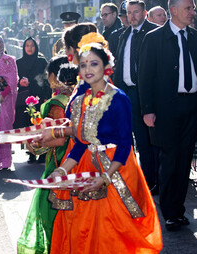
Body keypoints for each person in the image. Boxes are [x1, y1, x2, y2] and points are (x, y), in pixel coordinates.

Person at [47, 43, 162, 253]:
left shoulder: (119, 99)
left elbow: (125, 144)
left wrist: (106, 177)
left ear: (106, 66)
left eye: (94, 63)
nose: (88, 69)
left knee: (112, 232)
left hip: (117, 170)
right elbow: (81, 144)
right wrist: (62, 170)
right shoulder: (80, 101)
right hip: (86, 169)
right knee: (82, 228)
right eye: (83, 65)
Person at [139, 0, 197, 231]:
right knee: (169, 160)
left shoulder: (195, 37)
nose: (193, 12)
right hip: (165, 109)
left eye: (192, 8)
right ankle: (169, 212)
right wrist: (147, 110)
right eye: (188, 8)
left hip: (192, 106)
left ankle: (178, 210)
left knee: (184, 161)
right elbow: (145, 77)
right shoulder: (154, 38)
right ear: (174, 10)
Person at [17, 56, 78, 254]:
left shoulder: (57, 104)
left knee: (50, 214)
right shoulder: (75, 96)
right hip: (75, 160)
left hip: (60, 161)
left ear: (54, 76)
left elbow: (60, 138)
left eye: (49, 73)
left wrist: (35, 142)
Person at [114, 0, 159, 194]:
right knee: (131, 139)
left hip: (146, 94)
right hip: (126, 93)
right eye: (129, 12)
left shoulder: (153, 33)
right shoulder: (124, 34)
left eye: (136, 12)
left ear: (144, 12)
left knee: (148, 141)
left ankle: (151, 181)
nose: (132, 16)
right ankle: (135, 177)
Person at [0, 35, 18, 170]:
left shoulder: (9, 60)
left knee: (4, 127)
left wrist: (3, 94)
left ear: (2, 44)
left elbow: (13, 80)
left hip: (5, 100)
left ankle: (5, 161)